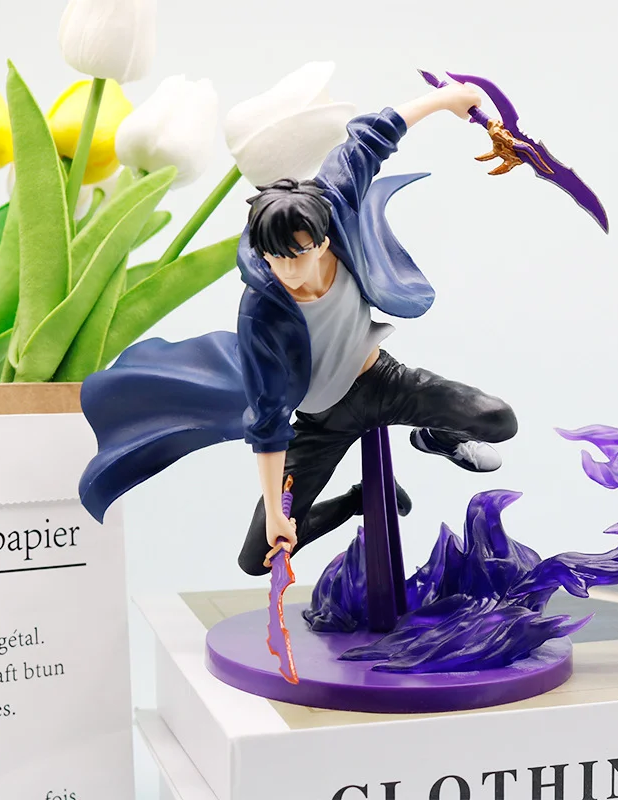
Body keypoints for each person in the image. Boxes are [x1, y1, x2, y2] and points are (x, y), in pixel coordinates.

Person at [77, 82, 518, 576]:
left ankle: (437, 437)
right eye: (275, 258)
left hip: (382, 381)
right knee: (258, 558)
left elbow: (370, 138)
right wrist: (275, 514)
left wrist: (443, 100)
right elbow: (267, 421)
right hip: (319, 420)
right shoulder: (261, 312)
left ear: (322, 240)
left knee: (498, 420)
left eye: (299, 254)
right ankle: (359, 499)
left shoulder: (334, 206)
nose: (287, 270)